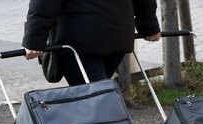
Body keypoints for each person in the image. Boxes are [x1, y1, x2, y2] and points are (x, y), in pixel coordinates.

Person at [22, 0, 162, 85]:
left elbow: (43, 5)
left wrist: (33, 41)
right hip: (117, 36)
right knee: (95, 94)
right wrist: (149, 26)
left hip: (79, 43)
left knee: (96, 97)